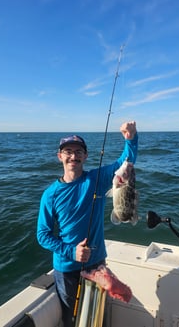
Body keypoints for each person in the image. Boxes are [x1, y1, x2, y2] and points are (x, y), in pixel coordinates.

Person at [37, 121, 138, 326]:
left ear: (85, 156)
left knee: (97, 315)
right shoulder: (50, 195)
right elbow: (43, 235)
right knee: (72, 319)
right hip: (66, 268)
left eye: (78, 151)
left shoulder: (97, 179)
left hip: (97, 262)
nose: (73, 156)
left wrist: (131, 139)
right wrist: (71, 251)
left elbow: (125, 162)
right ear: (60, 157)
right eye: (68, 151)